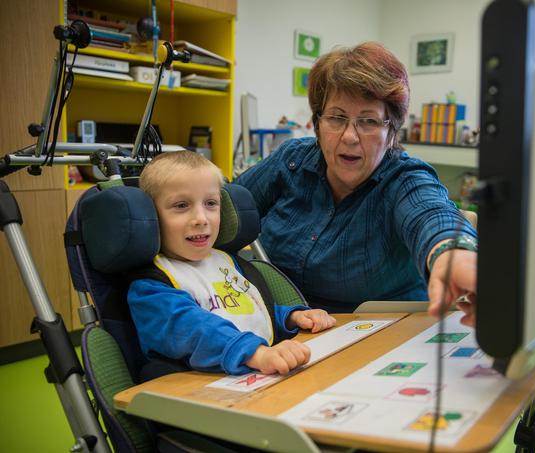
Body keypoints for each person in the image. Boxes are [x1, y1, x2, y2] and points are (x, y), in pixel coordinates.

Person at [235, 42, 478, 325]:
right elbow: (227, 209)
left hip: (373, 337)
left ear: (391, 133)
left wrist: (453, 254)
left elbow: (432, 215)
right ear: (317, 124)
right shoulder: (292, 161)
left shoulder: (404, 179)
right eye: (337, 118)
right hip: (280, 329)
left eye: (368, 121)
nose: (350, 136)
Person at [127, 151, 336, 376]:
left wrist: (290, 317)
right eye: (181, 205)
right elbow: (193, 329)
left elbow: (246, 308)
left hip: (253, 376)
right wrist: (256, 354)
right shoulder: (152, 285)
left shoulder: (225, 262)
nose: (201, 218)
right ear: (151, 216)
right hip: (196, 391)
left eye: (210, 203)